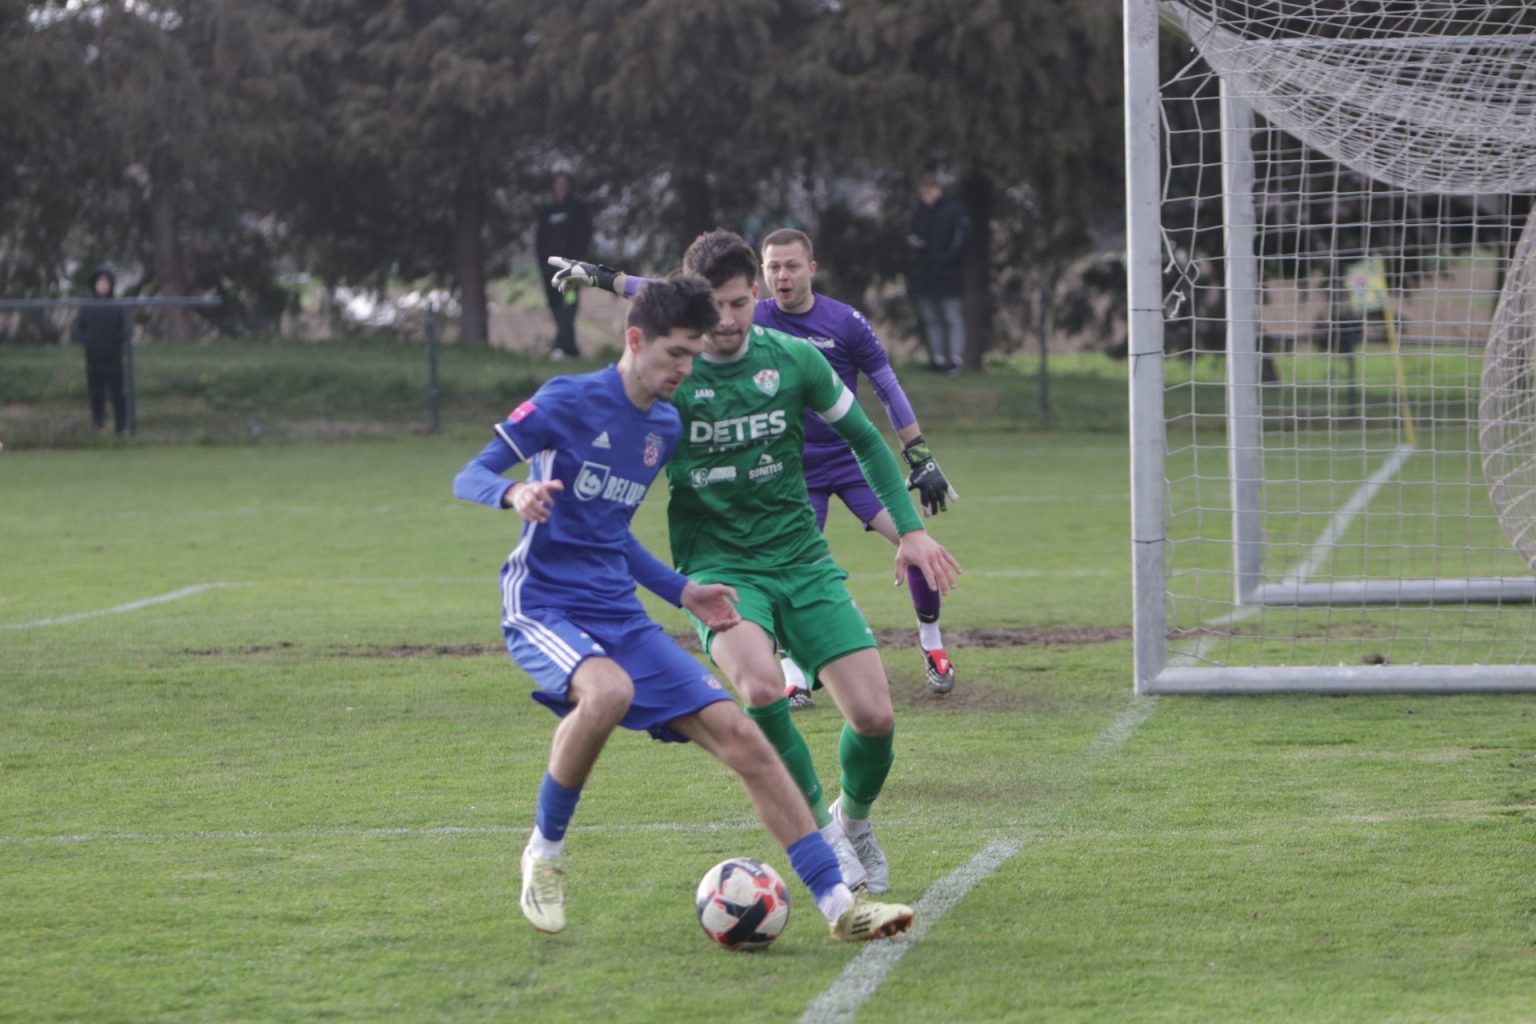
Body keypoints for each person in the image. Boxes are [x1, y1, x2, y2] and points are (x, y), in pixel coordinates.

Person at [452, 275, 913, 942]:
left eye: (693, 356)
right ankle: (543, 855)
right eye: (675, 354)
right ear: (636, 340)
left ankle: (841, 906)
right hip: (545, 601)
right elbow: (471, 472)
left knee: (746, 739)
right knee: (608, 691)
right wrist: (512, 495)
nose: (685, 370)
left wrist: (682, 592)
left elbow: (612, 535)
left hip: (617, 608)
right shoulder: (567, 399)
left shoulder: (663, 425)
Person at [548, 232, 963, 896]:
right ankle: (822, 834)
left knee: (874, 718)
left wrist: (910, 532)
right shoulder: (672, 378)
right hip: (720, 567)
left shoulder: (794, 359)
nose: (728, 319)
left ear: (757, 295)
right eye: (714, 306)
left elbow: (864, 439)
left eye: (740, 303)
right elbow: (614, 459)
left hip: (802, 556)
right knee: (763, 688)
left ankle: (852, 821)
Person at [757, 227, 961, 702]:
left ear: (811, 269)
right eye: (773, 267)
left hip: (854, 462)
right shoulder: (752, 318)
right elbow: (679, 299)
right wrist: (612, 281)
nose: (782, 276)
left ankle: (932, 644)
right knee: (783, 567)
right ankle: (794, 672)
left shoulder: (845, 321)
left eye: (791, 266)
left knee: (918, 543)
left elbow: (887, 387)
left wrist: (919, 454)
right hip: (790, 470)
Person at [906, 174, 970, 375]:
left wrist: (945, 259)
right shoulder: (921, 212)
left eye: (928, 192)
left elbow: (960, 241)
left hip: (949, 274)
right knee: (932, 318)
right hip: (926, 274)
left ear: (937, 189)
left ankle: (955, 358)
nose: (925, 197)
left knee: (952, 317)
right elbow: (915, 234)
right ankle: (938, 357)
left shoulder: (955, 210)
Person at [533, 172, 594, 360]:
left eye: (564, 184)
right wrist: (543, 264)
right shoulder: (547, 212)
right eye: (557, 184)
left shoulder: (577, 210)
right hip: (550, 271)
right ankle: (570, 348)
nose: (561, 188)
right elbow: (540, 240)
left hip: (571, 270)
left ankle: (561, 345)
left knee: (569, 305)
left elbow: (585, 236)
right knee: (555, 305)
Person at [74, 265, 131, 434]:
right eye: (100, 282)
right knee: (96, 394)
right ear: (94, 285)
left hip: (114, 359)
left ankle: (121, 427)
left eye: (106, 283)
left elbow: (126, 331)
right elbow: (79, 331)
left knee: (117, 394)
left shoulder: (118, 306)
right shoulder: (87, 307)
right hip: (93, 359)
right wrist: (90, 343)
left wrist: (114, 342)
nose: (103, 286)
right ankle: (98, 425)